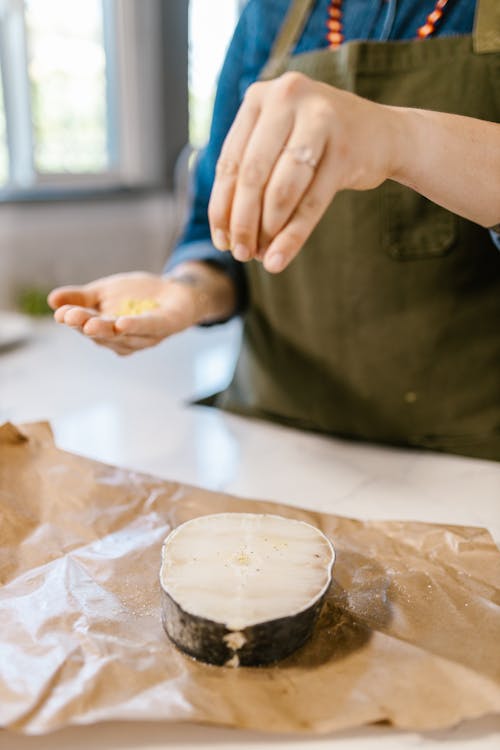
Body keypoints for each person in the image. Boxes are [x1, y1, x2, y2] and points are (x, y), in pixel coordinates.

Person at [49, 0, 500, 461]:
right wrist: (190, 292)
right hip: (274, 440)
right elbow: (216, 235)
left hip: (467, 459)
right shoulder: (269, 12)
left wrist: (404, 138)